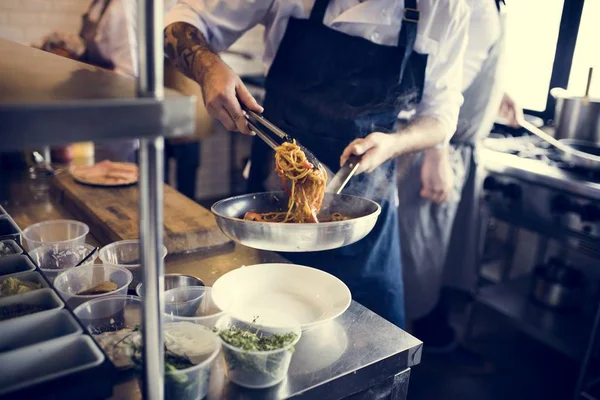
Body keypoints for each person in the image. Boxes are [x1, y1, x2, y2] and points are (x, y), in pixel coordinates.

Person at [164, 0, 471, 328]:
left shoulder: (446, 8)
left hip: (365, 213)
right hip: (273, 205)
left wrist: (394, 143)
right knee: (260, 325)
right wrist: (209, 68)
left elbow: (441, 116)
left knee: (374, 338)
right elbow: (179, 23)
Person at [399, 0, 522, 349]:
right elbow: (432, 89)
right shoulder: (473, 5)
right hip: (438, 152)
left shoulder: (495, 7)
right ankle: (403, 361)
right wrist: (436, 154)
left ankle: (434, 343)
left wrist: (499, 91)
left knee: (440, 260)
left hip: (459, 154)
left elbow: (467, 67)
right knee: (417, 260)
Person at [38, 0, 202, 199]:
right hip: (110, 112)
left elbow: (127, 72)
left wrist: (80, 65)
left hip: (127, 110)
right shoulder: (99, 6)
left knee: (159, 180)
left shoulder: (121, 7)